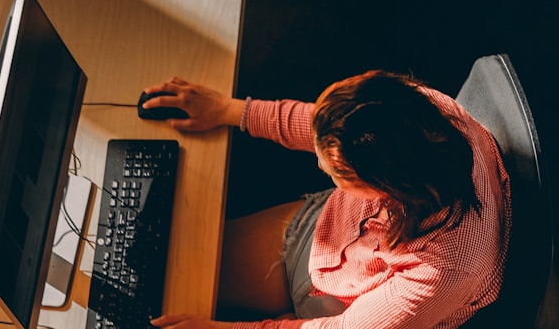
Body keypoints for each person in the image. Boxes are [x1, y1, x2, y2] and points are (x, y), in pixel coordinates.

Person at [145, 70, 511, 329]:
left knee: (166, 295)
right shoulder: (422, 110)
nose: (318, 162)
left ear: (384, 188)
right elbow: (327, 128)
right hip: (332, 234)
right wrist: (230, 110)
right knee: (170, 258)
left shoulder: (444, 270)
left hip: (357, 313)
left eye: (334, 172)